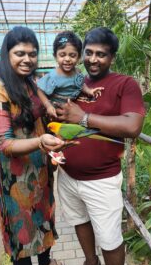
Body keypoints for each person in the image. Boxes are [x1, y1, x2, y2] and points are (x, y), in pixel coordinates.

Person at [0, 26, 70, 265]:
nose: (27, 59)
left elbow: (41, 112)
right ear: (6, 54)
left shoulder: (29, 82)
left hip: (39, 170)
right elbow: (5, 142)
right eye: (20, 53)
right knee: (19, 230)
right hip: (11, 177)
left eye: (32, 54)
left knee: (43, 218)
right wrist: (41, 141)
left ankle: (45, 262)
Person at [55, 27, 145, 265]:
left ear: (112, 57)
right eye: (89, 53)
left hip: (102, 180)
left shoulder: (124, 84)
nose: (93, 59)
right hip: (68, 175)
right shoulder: (73, 81)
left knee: (110, 237)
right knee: (79, 222)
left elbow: (132, 126)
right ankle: (90, 262)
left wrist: (82, 117)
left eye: (101, 55)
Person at [37, 30, 103, 164]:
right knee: (56, 135)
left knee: (71, 134)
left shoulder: (77, 72)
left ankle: (68, 153)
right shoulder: (52, 76)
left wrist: (89, 91)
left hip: (70, 110)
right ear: (55, 56)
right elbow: (39, 90)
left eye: (72, 55)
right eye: (62, 55)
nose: (67, 59)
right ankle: (55, 153)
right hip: (56, 111)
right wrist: (48, 106)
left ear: (79, 57)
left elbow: (81, 84)